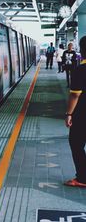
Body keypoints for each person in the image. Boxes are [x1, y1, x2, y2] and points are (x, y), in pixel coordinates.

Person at [64, 36, 86, 188]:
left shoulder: (79, 70)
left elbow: (75, 95)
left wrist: (69, 114)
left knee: (76, 144)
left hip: (82, 114)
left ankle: (83, 178)